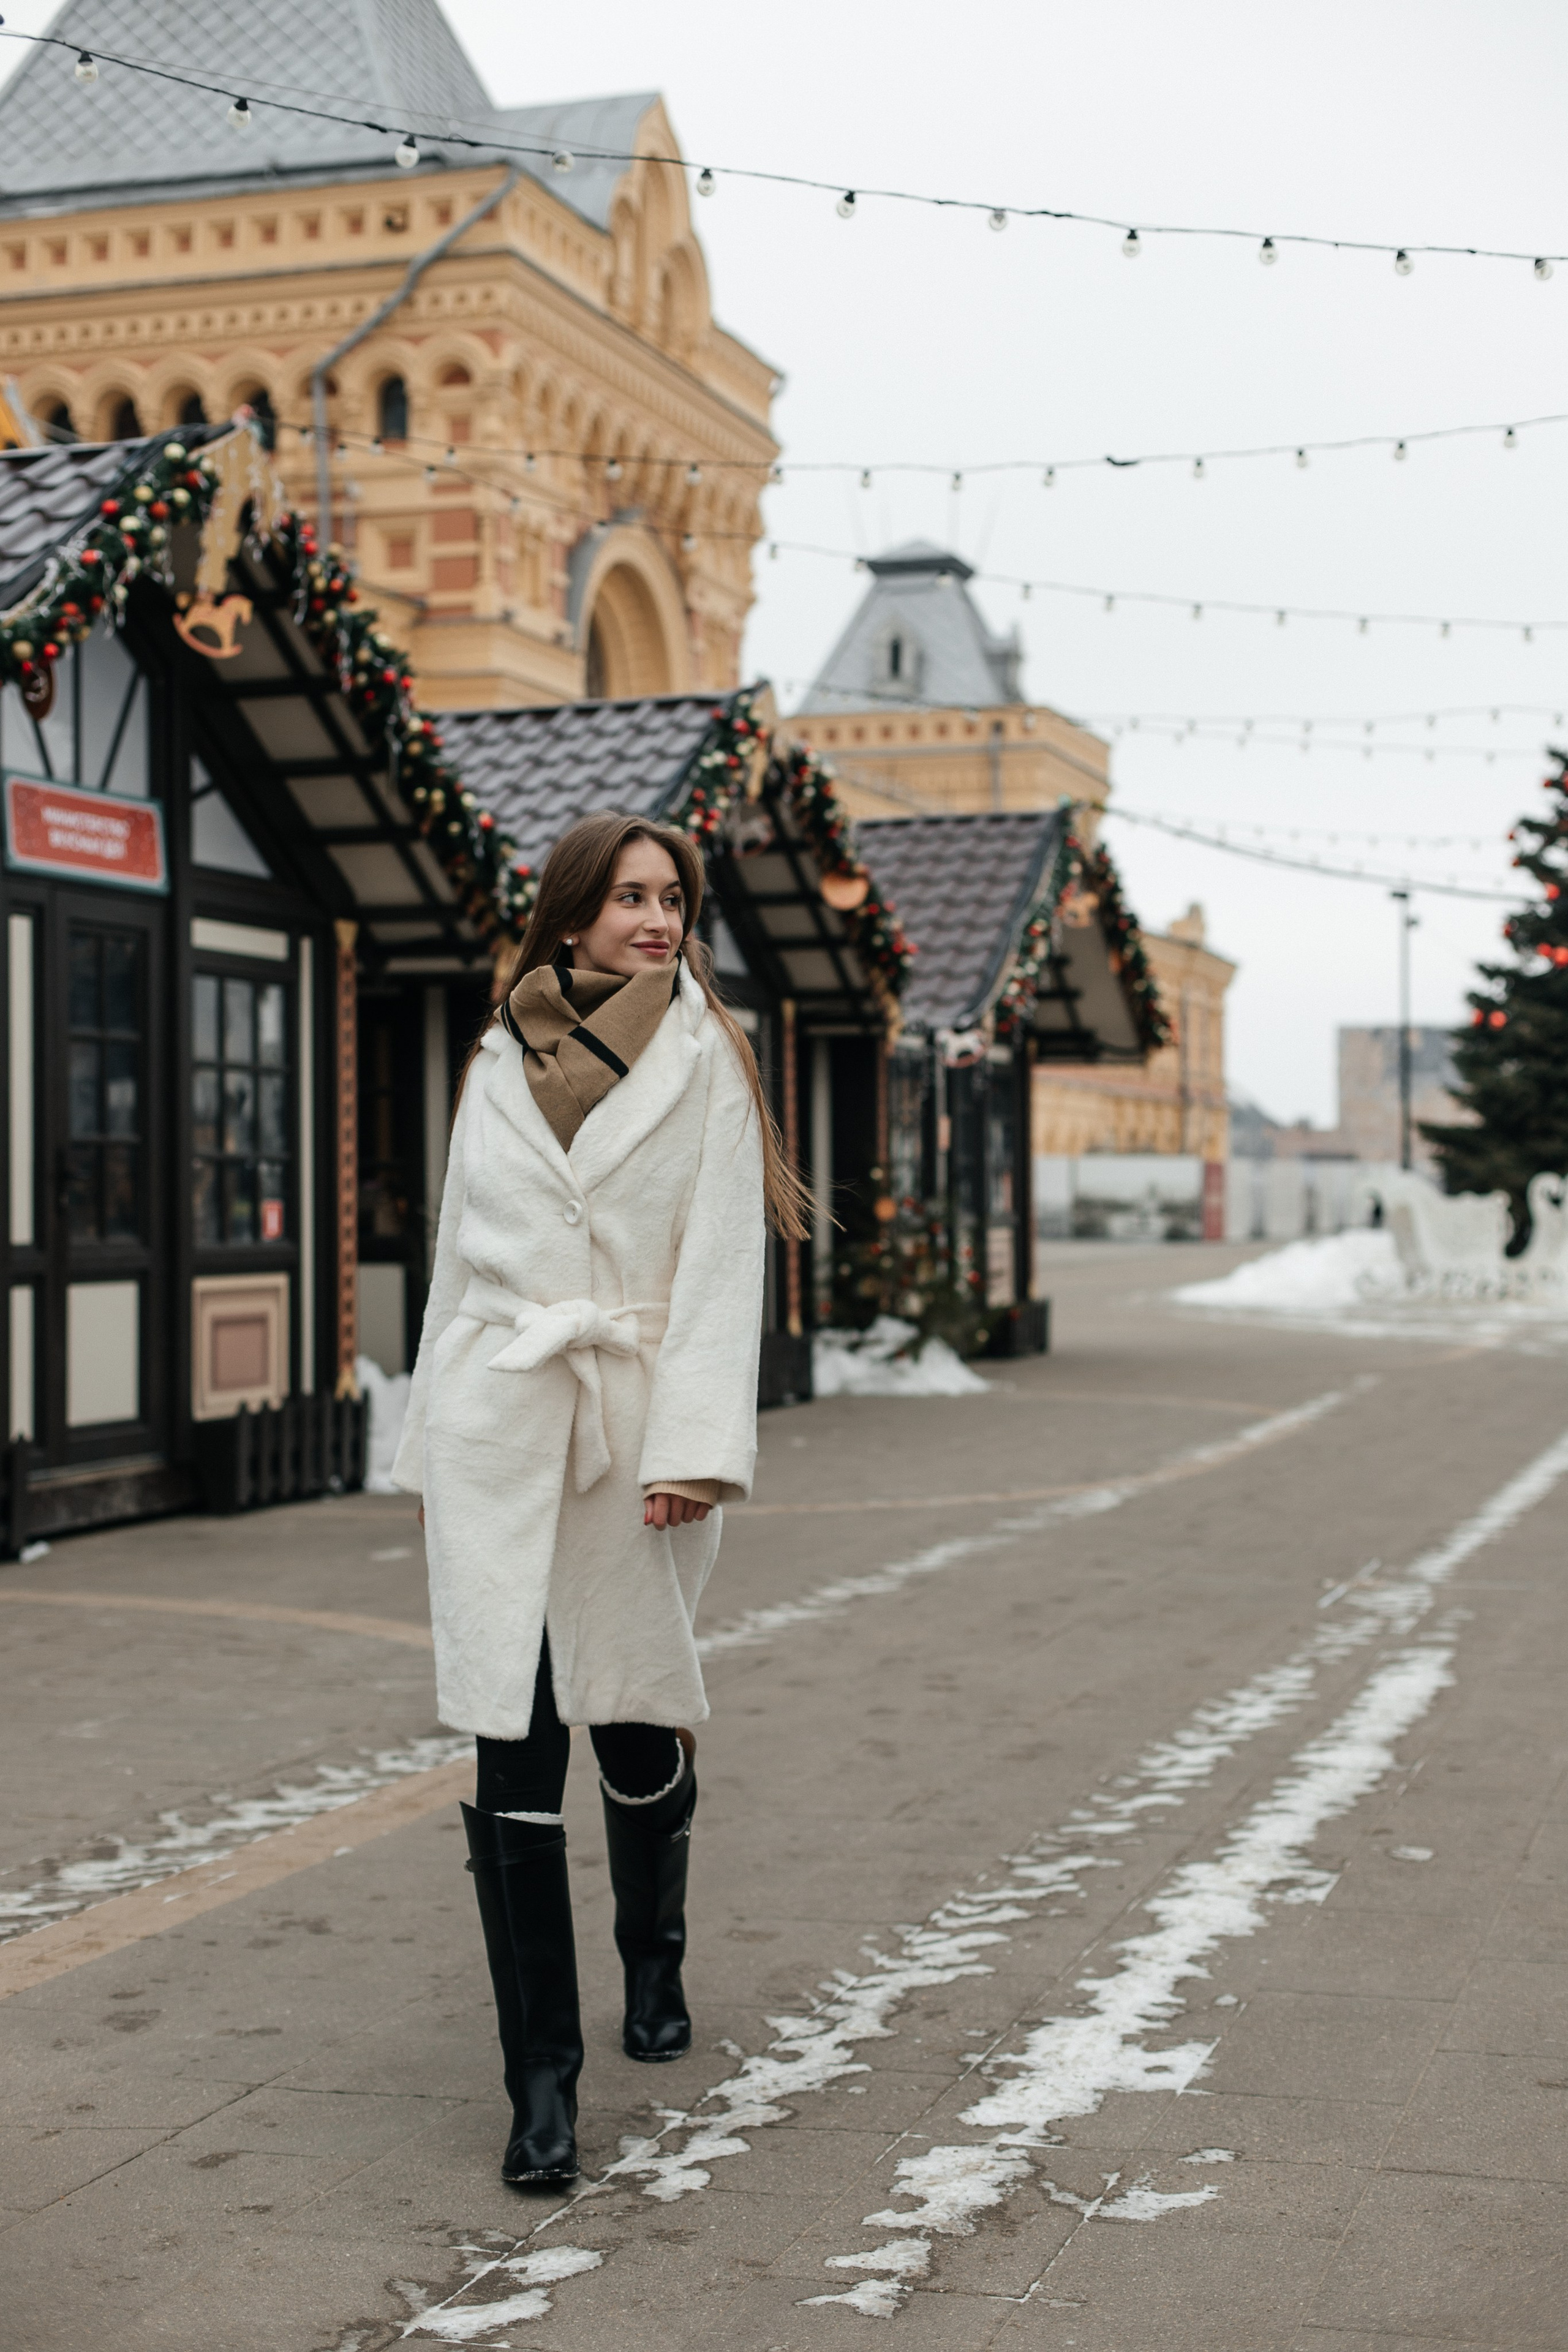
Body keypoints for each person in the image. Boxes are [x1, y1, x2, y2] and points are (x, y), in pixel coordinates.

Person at [391, 809, 807, 2189]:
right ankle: (541, 2092)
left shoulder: (708, 1059)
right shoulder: (495, 1060)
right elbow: (456, 1260)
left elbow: (719, 1270)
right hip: (500, 1422)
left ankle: (653, 1959)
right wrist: (423, 1450)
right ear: (570, 915)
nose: (657, 919)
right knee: (508, 1748)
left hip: (636, 1428)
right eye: (629, 897)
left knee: (630, 1721)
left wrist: (697, 1450)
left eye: (673, 898)